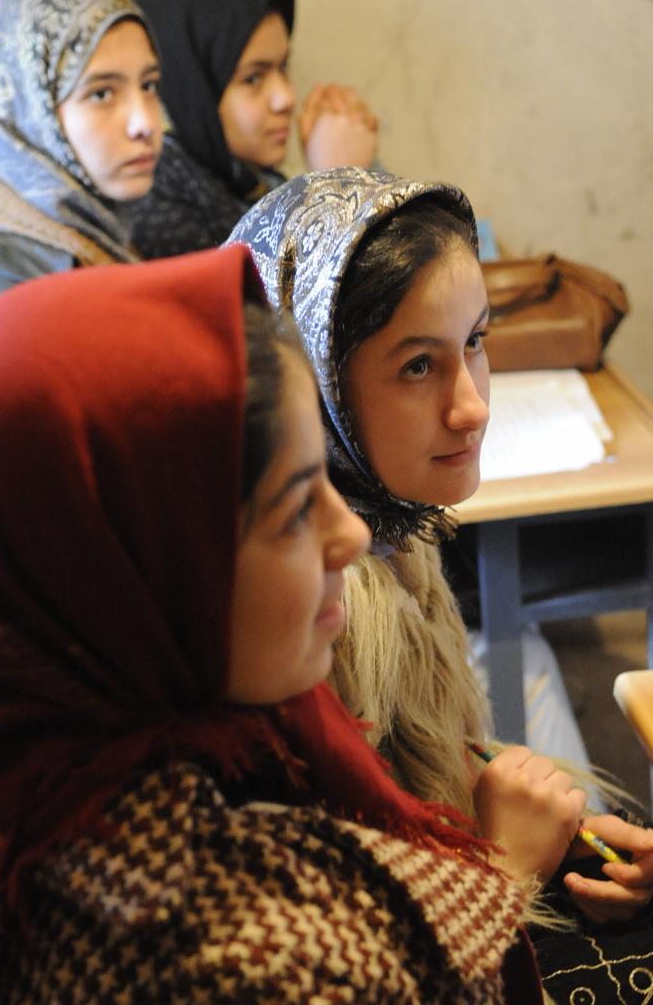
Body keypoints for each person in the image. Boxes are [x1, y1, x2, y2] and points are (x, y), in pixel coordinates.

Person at [0, 244, 543, 1003]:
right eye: (295, 510)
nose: (347, 536)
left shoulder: (212, 735)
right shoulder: (213, 948)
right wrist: (509, 872)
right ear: (142, 564)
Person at [228, 167, 653, 1000]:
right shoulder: (309, 612)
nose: (473, 405)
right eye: (418, 367)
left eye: (477, 343)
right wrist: (505, 865)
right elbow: (357, 961)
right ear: (313, 378)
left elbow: (424, 771)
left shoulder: (394, 526)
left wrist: (563, 837)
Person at [129, 0, 378, 259]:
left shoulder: (249, 180)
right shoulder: (155, 194)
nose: (286, 98)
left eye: (282, 67)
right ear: (191, 89)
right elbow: (261, 300)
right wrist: (336, 187)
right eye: (253, 78)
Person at [0, 0, 164, 315]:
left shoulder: (97, 227)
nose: (146, 123)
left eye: (148, 85)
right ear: (23, 109)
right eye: (101, 93)